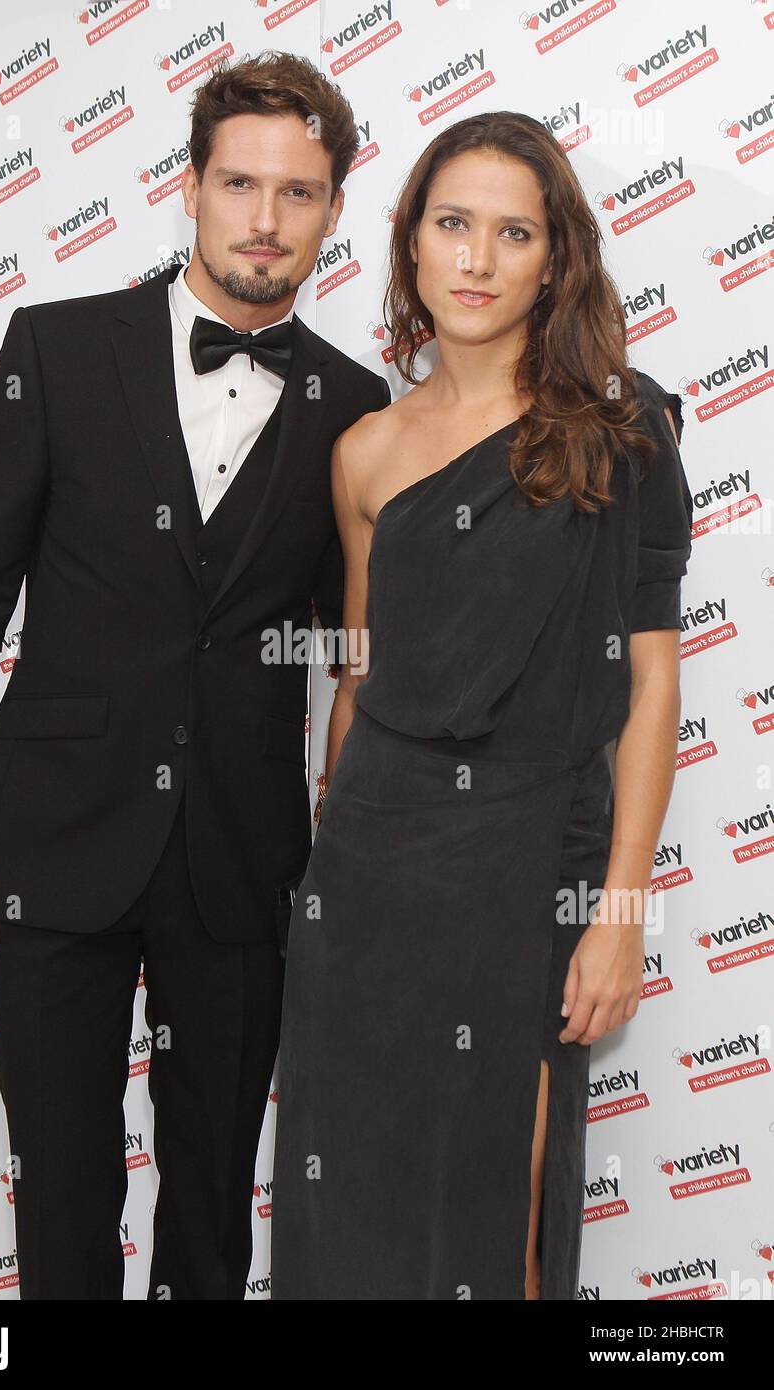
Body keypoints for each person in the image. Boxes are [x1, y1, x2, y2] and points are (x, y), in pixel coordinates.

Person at [0, 51, 389, 1299]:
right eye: (240, 183)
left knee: (215, 1183)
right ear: (190, 186)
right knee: (62, 1180)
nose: (265, 219)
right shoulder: (58, 349)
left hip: (238, 854)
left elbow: (347, 652)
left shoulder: (356, 405)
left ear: (333, 210)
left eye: (297, 193)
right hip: (51, 836)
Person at [270, 111, 694, 1301]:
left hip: (524, 865)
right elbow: (359, 671)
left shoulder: (621, 426)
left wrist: (617, 910)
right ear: (407, 244)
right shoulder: (364, 448)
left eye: (512, 233)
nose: (475, 258)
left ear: (552, 259)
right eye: (451, 224)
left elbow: (651, 683)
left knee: (495, 1213)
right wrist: (321, 871)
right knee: (346, 1200)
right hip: (366, 875)